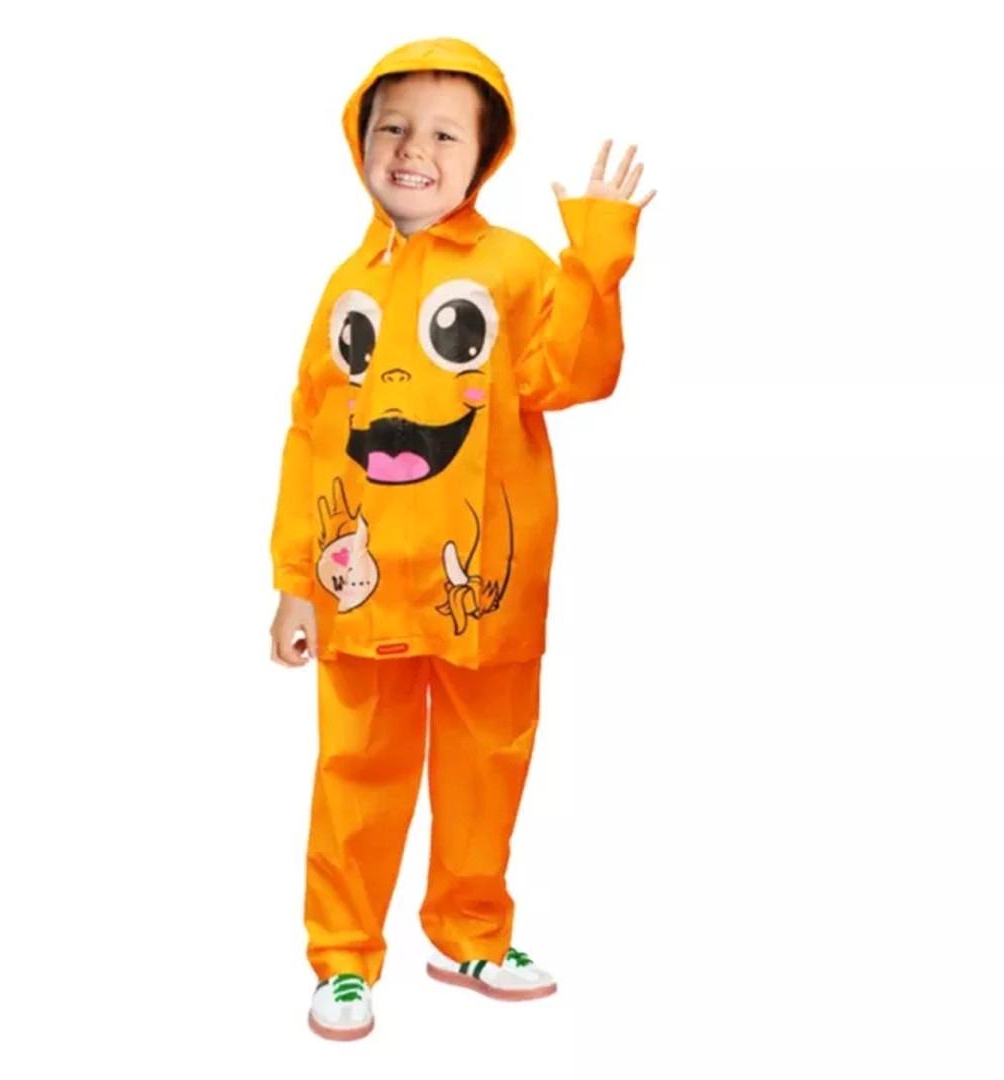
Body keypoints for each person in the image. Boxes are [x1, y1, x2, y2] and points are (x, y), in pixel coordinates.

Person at [268, 36, 655, 1041]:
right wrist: (295, 578)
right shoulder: (345, 288)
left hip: (486, 581)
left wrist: (595, 261)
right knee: (356, 771)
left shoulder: (515, 267)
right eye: (393, 126)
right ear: (359, 139)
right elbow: (312, 433)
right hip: (358, 585)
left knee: (488, 764)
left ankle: (471, 933)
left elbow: (574, 376)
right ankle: (342, 956)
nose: (413, 149)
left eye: (445, 134)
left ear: (485, 156)